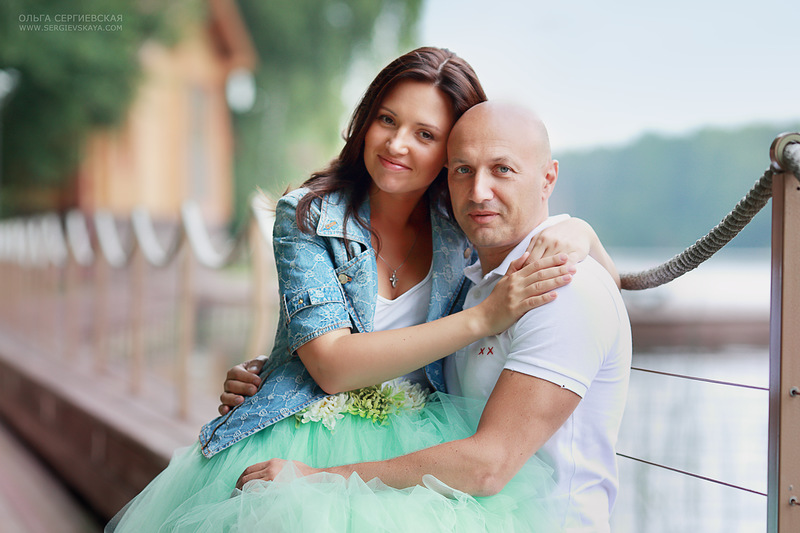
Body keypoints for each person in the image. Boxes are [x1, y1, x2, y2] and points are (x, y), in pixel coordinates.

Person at [107, 48, 617, 532]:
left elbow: (592, 279)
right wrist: (282, 364)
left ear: (447, 153)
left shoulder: (462, 223)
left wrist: (580, 232)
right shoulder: (310, 216)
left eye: (425, 134)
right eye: (387, 120)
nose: (397, 145)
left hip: (415, 437)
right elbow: (330, 364)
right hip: (307, 431)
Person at [238, 102, 632, 533]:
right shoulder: (475, 285)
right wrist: (275, 374)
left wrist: (321, 480)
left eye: (502, 169)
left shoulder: (561, 287)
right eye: (463, 170)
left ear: (548, 178)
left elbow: (488, 465)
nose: (479, 191)